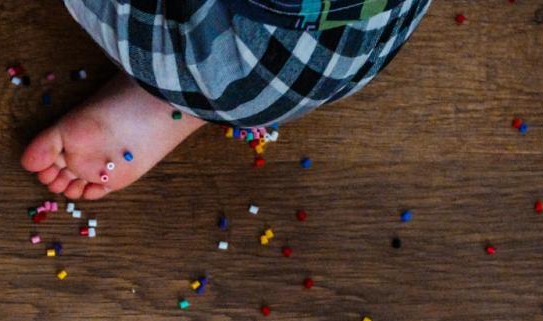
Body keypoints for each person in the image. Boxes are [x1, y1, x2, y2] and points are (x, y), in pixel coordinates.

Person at [22, 0, 433, 198]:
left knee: (234, 79)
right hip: (336, 52)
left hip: (277, 53)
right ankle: (180, 95)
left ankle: (185, 88)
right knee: (237, 84)